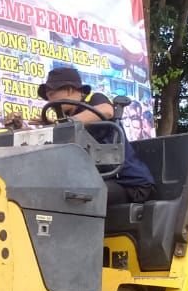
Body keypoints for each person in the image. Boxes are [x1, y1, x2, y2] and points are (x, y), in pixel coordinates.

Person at [36, 65, 154, 204]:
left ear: (68, 90)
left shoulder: (95, 100)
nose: (50, 102)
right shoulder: (69, 120)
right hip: (102, 179)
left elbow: (107, 111)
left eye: (51, 95)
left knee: (75, 196)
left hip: (131, 184)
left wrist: (65, 124)